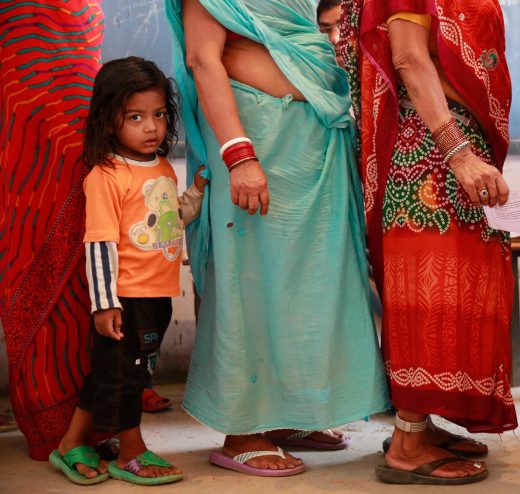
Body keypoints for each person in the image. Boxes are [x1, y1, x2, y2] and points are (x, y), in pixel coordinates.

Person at [165, 0, 390, 477]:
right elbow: (204, 59)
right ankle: (243, 428)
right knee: (254, 281)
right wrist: (239, 155)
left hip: (312, 147)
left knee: (313, 284)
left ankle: (290, 414)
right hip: (256, 147)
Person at [341, 0, 517, 485]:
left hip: (453, 145)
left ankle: (423, 425)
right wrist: (459, 154)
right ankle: (408, 442)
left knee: (460, 296)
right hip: (433, 151)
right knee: (432, 298)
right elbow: (409, 58)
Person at [51, 57, 202, 486]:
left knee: (116, 373)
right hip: (124, 298)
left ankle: (71, 444)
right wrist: (104, 304)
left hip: (157, 294)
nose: (151, 127)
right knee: (125, 376)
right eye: (135, 117)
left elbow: (167, 221)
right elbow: (98, 243)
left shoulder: (157, 167)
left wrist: (195, 194)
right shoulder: (106, 175)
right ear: (109, 120)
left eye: (158, 115)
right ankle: (131, 450)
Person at [0, 0, 104, 461]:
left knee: (89, 258)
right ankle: (46, 415)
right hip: (19, 114)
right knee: (26, 250)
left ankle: (88, 418)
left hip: (79, 112)